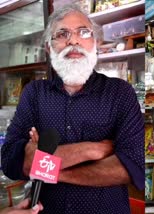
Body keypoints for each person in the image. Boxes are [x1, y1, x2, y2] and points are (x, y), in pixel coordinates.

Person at [1, 4, 144, 214]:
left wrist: (47, 168)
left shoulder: (120, 93)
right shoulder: (34, 93)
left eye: (83, 32)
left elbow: (131, 167)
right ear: (50, 47)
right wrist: (91, 150)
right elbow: (11, 161)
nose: (73, 40)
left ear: (96, 42)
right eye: (62, 34)